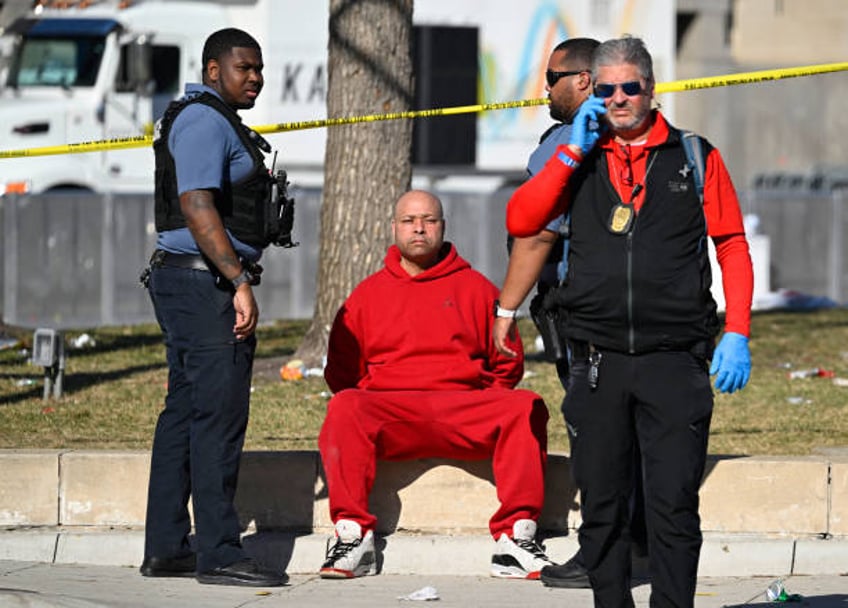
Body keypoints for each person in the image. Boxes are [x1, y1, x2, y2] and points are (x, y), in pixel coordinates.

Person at [500, 36, 753, 608]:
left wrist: (736, 330)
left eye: (629, 87)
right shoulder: (576, 155)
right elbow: (523, 219)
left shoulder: (695, 155)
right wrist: (570, 151)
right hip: (596, 361)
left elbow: (732, 245)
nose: (618, 99)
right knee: (604, 507)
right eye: (606, 88)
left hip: (674, 358)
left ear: (651, 89)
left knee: (672, 506)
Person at [317, 190, 553, 580]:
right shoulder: (367, 295)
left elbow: (507, 363)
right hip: (393, 415)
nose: (419, 228)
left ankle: (515, 539)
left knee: (524, 406)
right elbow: (343, 373)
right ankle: (354, 537)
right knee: (345, 406)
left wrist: (478, 399)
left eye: (429, 220)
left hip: (463, 411)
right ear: (394, 228)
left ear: (443, 228)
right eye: (409, 221)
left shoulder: (478, 289)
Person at [139, 28, 286, 587]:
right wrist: (237, 280)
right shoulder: (203, 120)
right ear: (211, 70)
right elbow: (197, 204)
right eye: (243, 68)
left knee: (184, 414)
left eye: (259, 68)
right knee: (218, 418)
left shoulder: (214, 117)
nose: (255, 78)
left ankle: (167, 547)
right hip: (204, 287)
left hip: (191, 284)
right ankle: (220, 551)